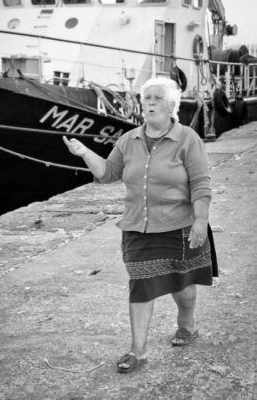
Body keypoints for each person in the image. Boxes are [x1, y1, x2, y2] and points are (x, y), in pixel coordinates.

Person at [63, 77, 217, 374]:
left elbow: (200, 184)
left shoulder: (188, 139)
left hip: (180, 227)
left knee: (182, 287)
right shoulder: (128, 140)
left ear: (172, 106)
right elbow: (108, 173)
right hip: (138, 228)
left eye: (157, 98)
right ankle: (138, 352)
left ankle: (187, 324)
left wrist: (201, 220)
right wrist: (84, 153)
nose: (149, 102)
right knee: (141, 287)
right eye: (146, 97)